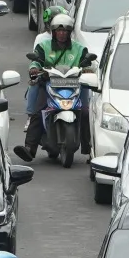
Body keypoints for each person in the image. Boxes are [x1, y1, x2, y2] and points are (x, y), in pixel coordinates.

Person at [15, 12, 96, 164]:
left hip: (73, 86)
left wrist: (86, 68)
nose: (61, 34)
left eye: (65, 31)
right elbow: (36, 62)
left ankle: (89, 149)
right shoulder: (43, 46)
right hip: (48, 84)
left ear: (69, 32)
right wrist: (34, 68)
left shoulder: (79, 49)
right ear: (53, 32)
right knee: (38, 113)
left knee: (85, 112)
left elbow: (87, 63)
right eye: (59, 30)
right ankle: (30, 148)